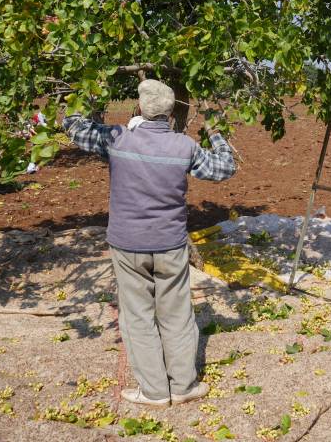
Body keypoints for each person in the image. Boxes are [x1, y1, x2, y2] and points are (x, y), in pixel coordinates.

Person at [62, 79, 236, 407]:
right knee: (178, 314)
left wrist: (89, 95)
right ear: (170, 113)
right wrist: (214, 133)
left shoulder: (117, 138)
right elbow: (225, 167)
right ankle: (184, 386)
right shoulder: (183, 146)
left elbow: (72, 125)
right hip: (170, 244)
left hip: (127, 245)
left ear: (140, 108)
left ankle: (154, 391)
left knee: (138, 316)